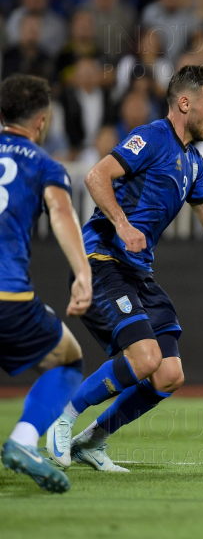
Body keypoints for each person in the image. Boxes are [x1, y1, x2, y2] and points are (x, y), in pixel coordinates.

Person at [46, 65, 203, 473]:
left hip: (139, 273)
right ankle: (62, 417)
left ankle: (92, 442)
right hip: (104, 260)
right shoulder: (151, 137)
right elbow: (97, 176)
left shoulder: (194, 162)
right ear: (185, 103)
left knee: (168, 374)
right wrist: (123, 225)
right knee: (145, 358)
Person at [0, 74, 91, 493]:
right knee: (68, 360)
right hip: (9, 298)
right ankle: (23, 441)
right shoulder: (43, 164)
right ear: (42, 122)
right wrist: (83, 273)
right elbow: (60, 212)